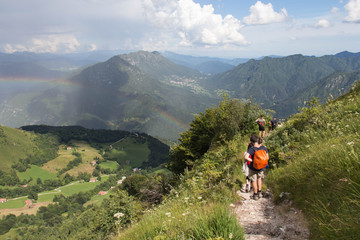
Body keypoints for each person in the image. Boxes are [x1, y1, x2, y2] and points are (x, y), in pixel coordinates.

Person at [244, 135, 269, 200]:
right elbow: (267, 158)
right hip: (261, 167)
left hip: (253, 167)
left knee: (254, 180)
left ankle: (255, 195)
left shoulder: (252, 149)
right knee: (259, 179)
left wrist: (252, 160)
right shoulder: (264, 148)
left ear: (252, 142)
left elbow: (246, 157)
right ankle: (260, 193)